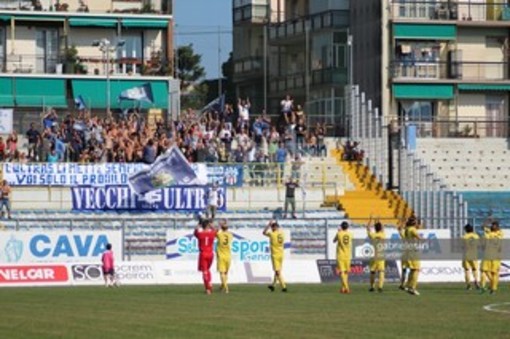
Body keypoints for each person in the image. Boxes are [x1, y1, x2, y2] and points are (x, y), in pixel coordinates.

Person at [398, 216, 423, 296]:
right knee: (416, 269)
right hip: (413, 252)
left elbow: (400, 230)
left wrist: (403, 222)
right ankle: (412, 288)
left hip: (407, 252)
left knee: (411, 270)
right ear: (415, 223)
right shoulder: (413, 229)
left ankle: (408, 286)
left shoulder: (407, 230)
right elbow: (419, 238)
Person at [194, 219, 217, 294]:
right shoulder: (212, 233)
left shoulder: (200, 234)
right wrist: (211, 225)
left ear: (202, 226)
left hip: (203, 254)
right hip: (210, 254)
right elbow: (216, 230)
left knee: (204, 271)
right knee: (208, 269)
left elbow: (195, 232)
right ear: (208, 226)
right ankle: (209, 283)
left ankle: (208, 288)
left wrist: (199, 225)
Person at [263, 220, 287, 292]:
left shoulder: (272, 234)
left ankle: (284, 287)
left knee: (277, 271)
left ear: (273, 227)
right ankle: (273, 285)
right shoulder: (282, 233)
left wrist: (268, 224)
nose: (272, 228)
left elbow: (264, 232)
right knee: (278, 271)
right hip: (281, 254)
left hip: (275, 255)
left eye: (272, 227)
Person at [366, 217, 385, 292]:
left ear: (375, 228)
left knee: (372, 271)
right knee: (381, 271)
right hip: (381, 255)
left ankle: (372, 287)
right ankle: (380, 287)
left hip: (374, 255)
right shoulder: (383, 235)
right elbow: (382, 228)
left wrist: (370, 220)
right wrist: (379, 220)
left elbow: (367, 228)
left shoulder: (373, 235)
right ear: (380, 228)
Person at [333, 221, 352, 294]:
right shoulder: (350, 234)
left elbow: (334, 241)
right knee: (346, 272)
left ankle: (346, 287)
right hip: (348, 256)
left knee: (341, 272)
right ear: (347, 227)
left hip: (340, 255)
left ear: (341, 227)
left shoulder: (339, 233)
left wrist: (338, 231)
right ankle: (343, 288)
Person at [215, 219, 233, 293]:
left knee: (222, 273)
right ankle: (222, 286)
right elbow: (226, 230)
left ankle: (226, 288)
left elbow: (215, 231)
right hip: (228, 256)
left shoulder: (219, 235)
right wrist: (225, 223)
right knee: (225, 273)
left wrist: (220, 225)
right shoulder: (230, 235)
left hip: (221, 256)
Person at [461, 223, 479, 290]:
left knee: (467, 270)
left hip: (466, 255)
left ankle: (468, 285)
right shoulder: (476, 236)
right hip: (474, 255)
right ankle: (476, 281)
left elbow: (462, 246)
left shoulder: (464, 237)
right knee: (474, 269)